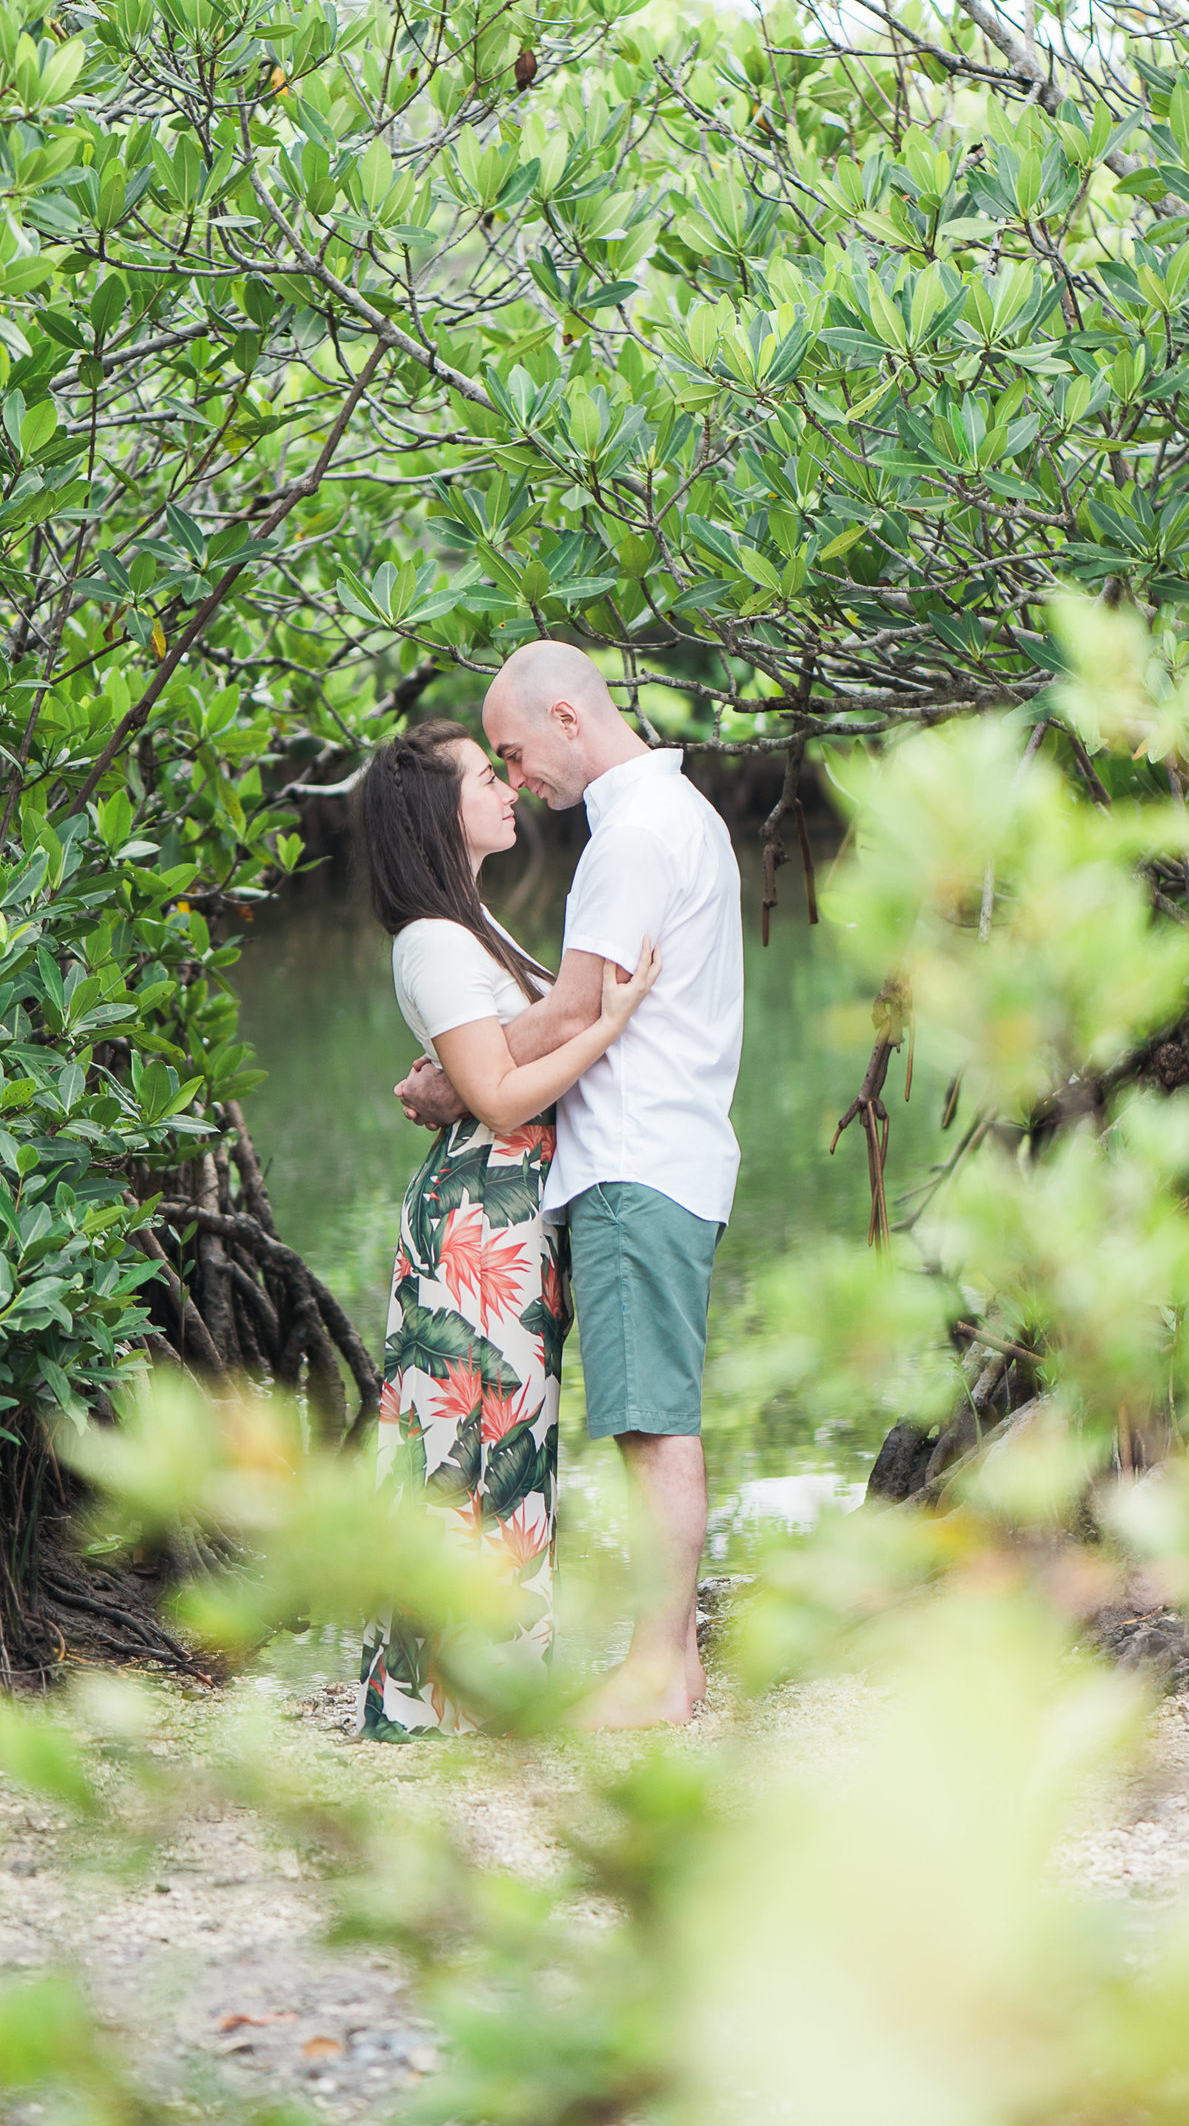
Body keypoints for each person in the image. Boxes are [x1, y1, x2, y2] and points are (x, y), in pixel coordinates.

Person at [397, 647, 745, 1729]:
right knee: (651, 1413)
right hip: (659, 1155)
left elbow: (569, 1012)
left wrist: (454, 1080)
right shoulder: (671, 815)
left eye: (515, 751)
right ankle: (674, 1662)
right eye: (493, 764)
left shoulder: (633, 833)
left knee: (651, 1424)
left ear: (565, 715)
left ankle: (652, 1670)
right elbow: (574, 1010)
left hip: (638, 1159)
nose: (517, 778)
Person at [356, 717, 660, 1739]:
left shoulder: (475, 926)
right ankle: (433, 1700)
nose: (507, 788)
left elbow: (486, 1066)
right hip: (478, 1219)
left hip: (511, 1213)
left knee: (509, 1443)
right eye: (487, 777)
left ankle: (488, 1688)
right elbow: (493, 1094)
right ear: (435, 813)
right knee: (462, 1447)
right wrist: (608, 1024)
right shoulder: (436, 941)